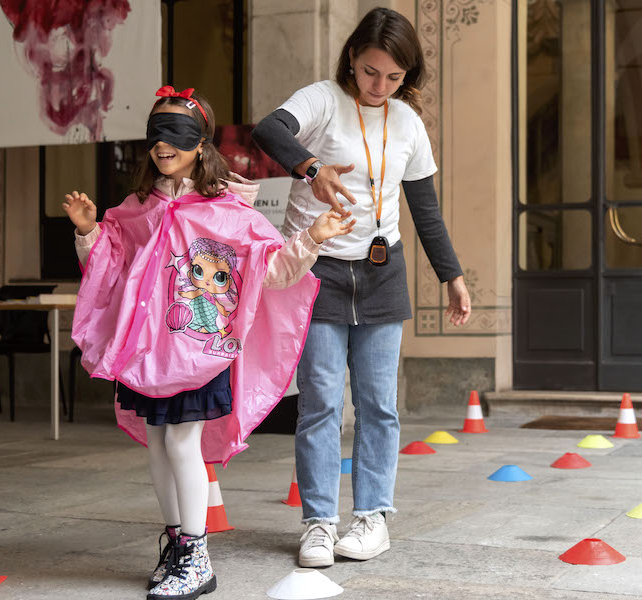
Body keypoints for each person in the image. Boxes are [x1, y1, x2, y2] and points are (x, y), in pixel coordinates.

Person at [63, 86, 354, 599]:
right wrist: (89, 231)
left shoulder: (229, 212)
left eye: (175, 134)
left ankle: (197, 555)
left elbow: (273, 272)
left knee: (181, 443)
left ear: (200, 143)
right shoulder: (137, 209)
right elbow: (108, 271)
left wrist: (313, 238)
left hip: (200, 351)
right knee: (157, 444)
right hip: (150, 352)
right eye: (156, 133)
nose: (162, 145)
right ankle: (177, 547)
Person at [252, 7, 471, 569]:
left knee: (378, 404)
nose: (379, 86)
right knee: (322, 401)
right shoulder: (323, 99)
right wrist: (309, 168)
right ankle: (319, 523)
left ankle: (371, 517)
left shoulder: (407, 124)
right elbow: (268, 129)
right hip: (317, 270)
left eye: (394, 77)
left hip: (381, 272)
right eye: (372, 71)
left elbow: (425, 209)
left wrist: (452, 276)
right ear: (353, 57)